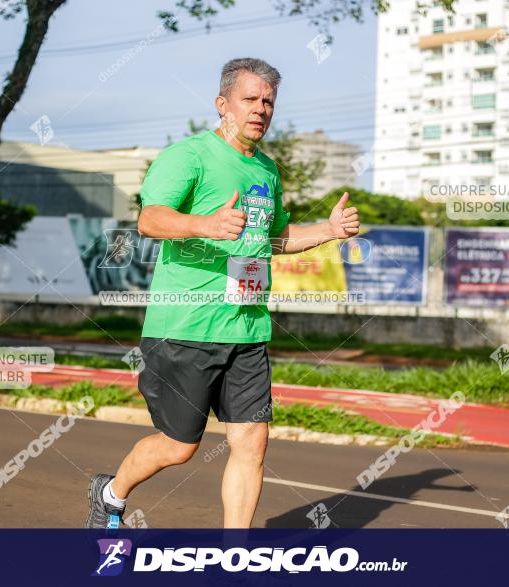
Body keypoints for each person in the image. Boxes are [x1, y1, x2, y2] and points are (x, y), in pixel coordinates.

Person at [85, 57, 360, 529]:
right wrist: (205, 224)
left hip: (247, 327)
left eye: (268, 101)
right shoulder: (189, 156)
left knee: (251, 444)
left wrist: (329, 230)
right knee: (179, 447)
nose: (261, 109)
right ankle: (110, 493)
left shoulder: (267, 171)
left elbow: (273, 239)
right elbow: (149, 220)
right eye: (250, 99)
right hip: (185, 327)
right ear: (223, 104)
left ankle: (235, 556)